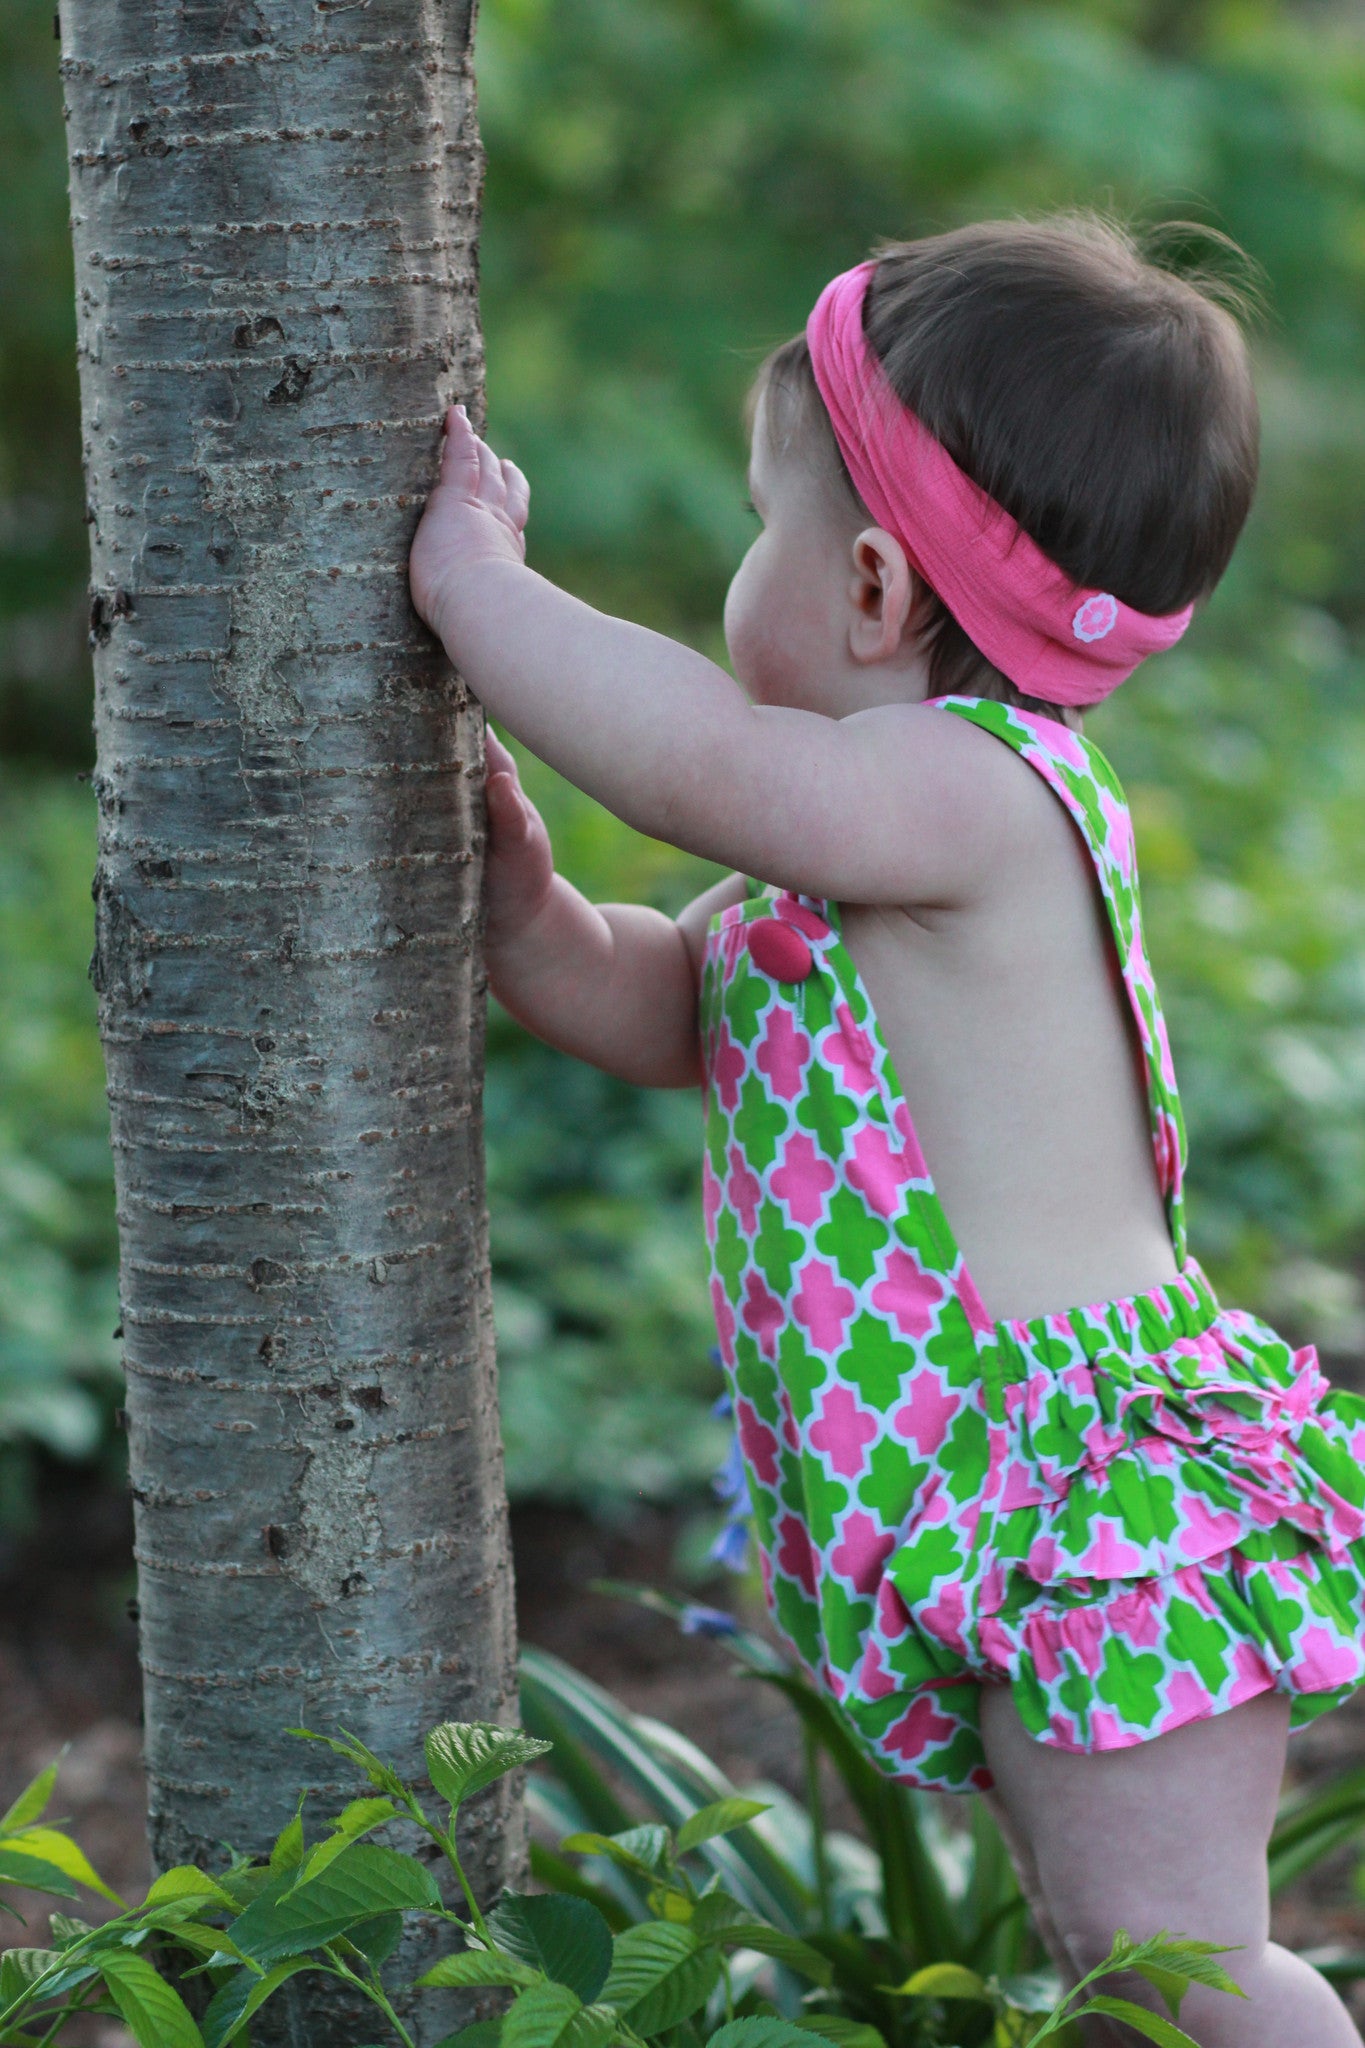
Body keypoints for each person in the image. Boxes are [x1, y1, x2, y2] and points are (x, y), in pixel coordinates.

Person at [409, 215, 1365, 2046]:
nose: (732, 575)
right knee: (1120, 1974)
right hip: (1011, 1500)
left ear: (865, 589)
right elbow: (673, 1007)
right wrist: (534, 924)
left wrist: (479, 591)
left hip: (1105, 1508)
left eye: (752, 525)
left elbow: (686, 757)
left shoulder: (971, 797)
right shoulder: (848, 856)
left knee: (1184, 1963)